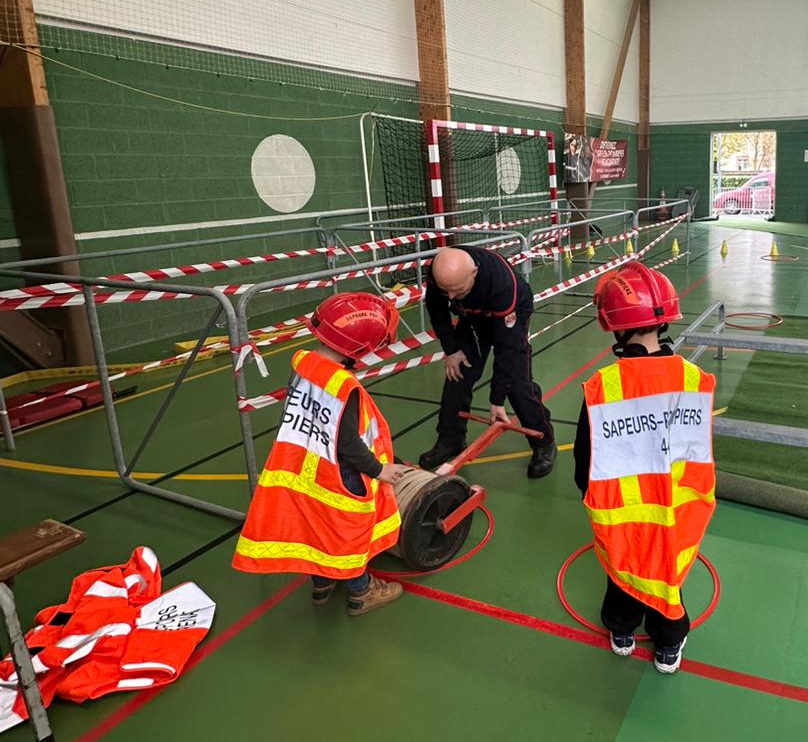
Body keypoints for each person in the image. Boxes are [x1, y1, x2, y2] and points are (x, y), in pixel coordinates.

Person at [573, 262, 716, 675]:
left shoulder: (604, 386)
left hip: (623, 512)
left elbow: (585, 462)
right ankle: (669, 641)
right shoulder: (693, 379)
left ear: (615, 327)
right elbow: (700, 451)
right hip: (676, 507)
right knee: (667, 571)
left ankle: (621, 630)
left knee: (625, 565)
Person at [233, 292, 408, 616]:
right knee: (347, 533)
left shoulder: (305, 364)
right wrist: (378, 470)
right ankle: (361, 592)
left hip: (309, 466)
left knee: (320, 528)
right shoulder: (343, 386)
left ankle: (322, 582)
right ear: (359, 347)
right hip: (342, 472)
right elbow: (348, 443)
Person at [418, 245, 556, 478]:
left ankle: (543, 441)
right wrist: (451, 350)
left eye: (456, 290)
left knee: (516, 384)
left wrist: (496, 399)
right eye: (445, 290)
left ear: (473, 273)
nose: (450, 297)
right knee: (457, 373)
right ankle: (451, 439)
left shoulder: (501, 283)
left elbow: (507, 347)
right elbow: (437, 309)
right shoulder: (441, 273)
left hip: (510, 316)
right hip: (472, 317)